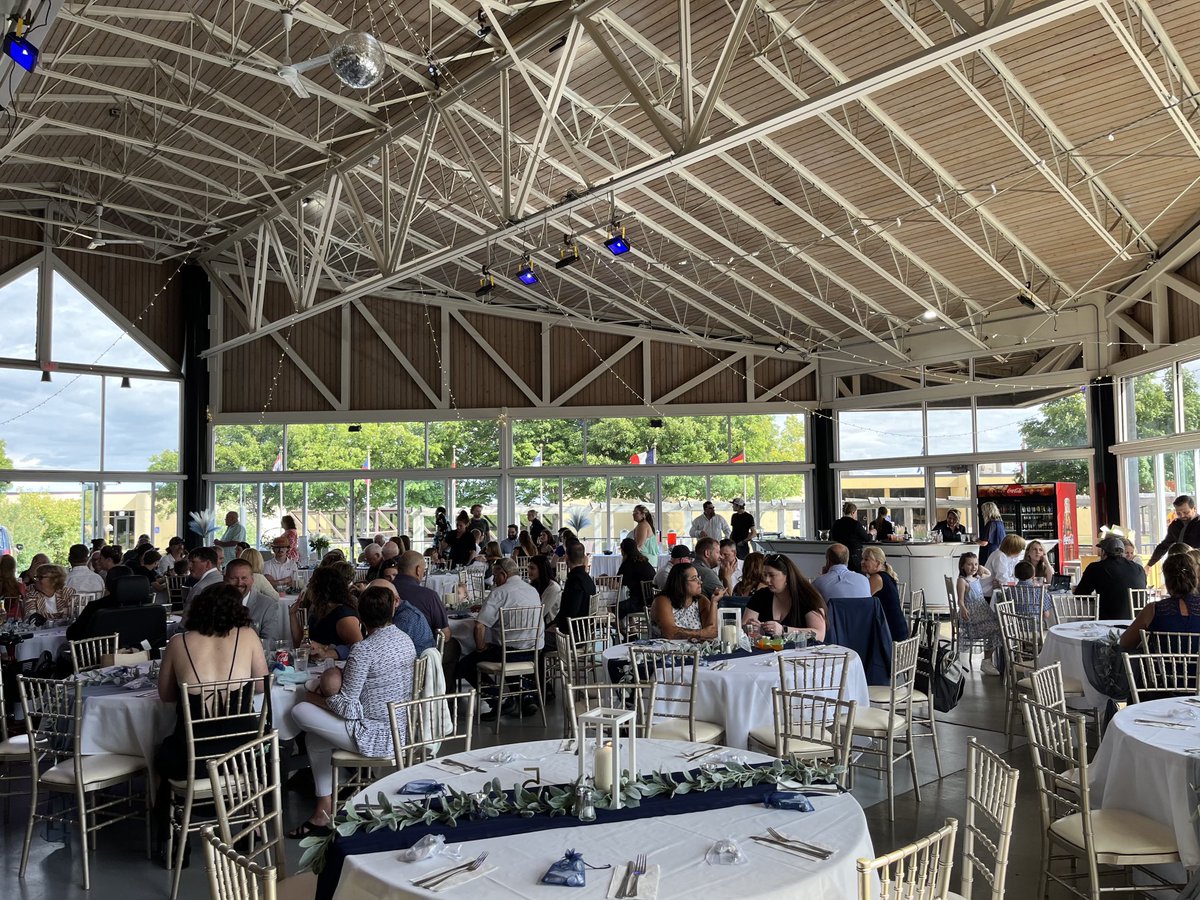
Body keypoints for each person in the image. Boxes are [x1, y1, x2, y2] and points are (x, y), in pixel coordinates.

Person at [290, 585, 415, 837]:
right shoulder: (405, 639)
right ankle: (323, 810)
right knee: (316, 740)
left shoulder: (364, 650)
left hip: (378, 736)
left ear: (360, 616)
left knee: (299, 709)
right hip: (404, 729)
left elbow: (348, 708)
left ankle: (326, 810)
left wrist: (315, 695)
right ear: (392, 608)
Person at [155, 584, 267, 857]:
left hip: (192, 760)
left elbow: (167, 695)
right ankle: (246, 830)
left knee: (159, 754)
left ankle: (170, 842)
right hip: (240, 756)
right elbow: (262, 684)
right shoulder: (248, 636)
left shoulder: (178, 643)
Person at [457, 558, 543, 718]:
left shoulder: (500, 592)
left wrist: (481, 648)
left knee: (465, 665)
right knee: (504, 652)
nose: (494, 580)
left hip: (510, 653)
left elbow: (479, 626)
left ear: (503, 574)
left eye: (495, 576)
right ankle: (526, 696)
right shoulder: (532, 590)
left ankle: (499, 700)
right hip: (534, 651)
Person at [1121, 554, 1200, 650]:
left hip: (1161, 665)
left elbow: (1125, 643)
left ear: (1167, 581)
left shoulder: (1153, 609)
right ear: (1195, 579)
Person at [742, 553, 826, 641]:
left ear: (787, 576)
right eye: (765, 575)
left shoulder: (807, 597)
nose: (766, 580)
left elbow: (819, 635)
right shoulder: (761, 595)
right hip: (765, 651)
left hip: (799, 652)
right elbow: (744, 626)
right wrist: (752, 628)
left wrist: (784, 630)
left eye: (771, 575)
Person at [291, 564, 363, 659]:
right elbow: (301, 644)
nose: (308, 587)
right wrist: (292, 614)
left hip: (336, 667)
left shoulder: (344, 616)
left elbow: (360, 648)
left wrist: (326, 651)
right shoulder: (318, 608)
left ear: (322, 589)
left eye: (311, 583)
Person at [1076, 534, 1148, 619]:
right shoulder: (1139, 568)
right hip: (1138, 620)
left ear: (1103, 552)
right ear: (1122, 552)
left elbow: (1081, 594)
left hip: (1109, 621)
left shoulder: (1095, 568)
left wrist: (1097, 598)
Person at [954, 553, 1001, 675]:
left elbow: (988, 573)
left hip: (983, 611)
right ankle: (986, 661)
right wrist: (963, 608)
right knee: (996, 629)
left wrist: (979, 567)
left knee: (999, 626)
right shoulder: (962, 581)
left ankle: (989, 660)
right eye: (969, 564)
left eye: (975, 564)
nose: (973, 567)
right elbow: (960, 600)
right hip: (973, 614)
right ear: (962, 566)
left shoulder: (977, 578)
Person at [223, 558, 286, 647]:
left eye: (244, 578)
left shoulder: (267, 605)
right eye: (233, 578)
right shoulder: (216, 602)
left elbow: (270, 643)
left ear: (252, 580)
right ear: (224, 579)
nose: (239, 583)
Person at [393, 551, 450, 642]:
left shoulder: (384, 591)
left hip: (386, 651)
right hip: (421, 654)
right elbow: (444, 634)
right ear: (418, 570)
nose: (423, 574)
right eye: (424, 570)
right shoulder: (429, 596)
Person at [651, 564, 718, 640]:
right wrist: (702, 633)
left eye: (698, 577)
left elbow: (712, 632)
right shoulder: (662, 600)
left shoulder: (701, 600)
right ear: (680, 582)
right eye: (694, 578)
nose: (700, 582)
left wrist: (714, 603)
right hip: (666, 650)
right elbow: (670, 633)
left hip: (694, 650)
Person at [861, 545, 908, 640]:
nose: (862, 562)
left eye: (866, 559)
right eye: (862, 559)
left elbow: (861, 601)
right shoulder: (887, 576)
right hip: (900, 630)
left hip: (891, 634)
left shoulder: (876, 578)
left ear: (877, 563)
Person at [379, 577, 433, 655]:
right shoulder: (399, 609)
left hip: (414, 663)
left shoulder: (405, 619)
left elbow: (386, 651)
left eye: (380, 600)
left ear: (396, 600)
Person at [552, 542, 597, 634]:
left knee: (536, 641)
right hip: (585, 631)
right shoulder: (588, 579)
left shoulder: (574, 581)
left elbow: (571, 611)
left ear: (566, 558)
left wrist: (556, 626)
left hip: (572, 634)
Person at [1147, 495, 1200, 568]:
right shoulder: (1175, 525)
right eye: (1178, 513)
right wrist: (1149, 565)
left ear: (1194, 509)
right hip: (1180, 567)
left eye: (1186, 512)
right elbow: (1164, 546)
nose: (1182, 516)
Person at [616, 537, 656, 617]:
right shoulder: (644, 561)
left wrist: (604, 580)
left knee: (612, 608)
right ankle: (632, 626)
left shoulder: (628, 564)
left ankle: (621, 629)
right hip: (652, 601)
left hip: (640, 603)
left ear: (623, 551)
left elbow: (618, 583)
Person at [829, 502, 872, 571]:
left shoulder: (837, 523)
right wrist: (871, 533)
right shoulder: (856, 524)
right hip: (854, 554)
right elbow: (867, 538)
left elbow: (833, 537)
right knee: (859, 576)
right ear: (853, 512)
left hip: (840, 554)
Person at [983, 534, 1026, 598]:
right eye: (1020, 549)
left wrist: (1013, 582)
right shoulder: (999, 556)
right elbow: (1004, 582)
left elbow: (1016, 577)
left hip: (1001, 592)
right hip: (988, 594)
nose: (1021, 551)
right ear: (1014, 549)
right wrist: (1014, 583)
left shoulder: (1013, 557)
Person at [528, 555, 562, 625]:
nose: (529, 571)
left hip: (548, 625)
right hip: (536, 621)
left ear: (541, 569)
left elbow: (541, 612)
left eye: (532, 568)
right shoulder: (535, 584)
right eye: (528, 568)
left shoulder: (553, 588)